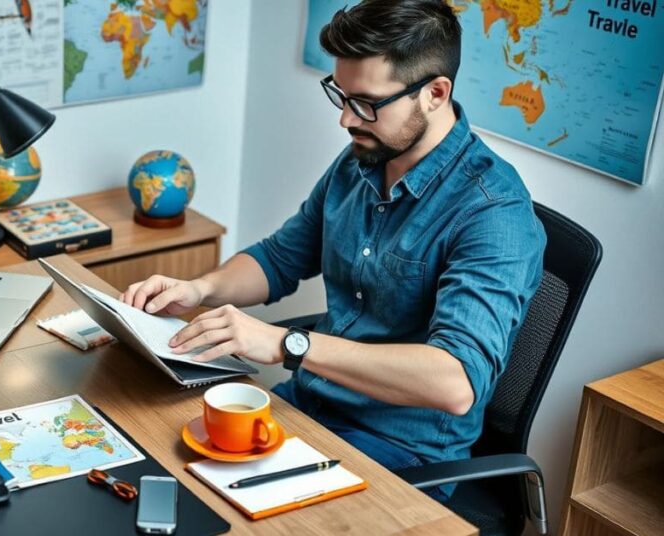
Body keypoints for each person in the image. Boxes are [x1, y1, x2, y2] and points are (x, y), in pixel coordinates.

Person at [120, 0, 546, 501]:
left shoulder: (493, 212)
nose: (345, 119)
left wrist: (287, 344)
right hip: (307, 408)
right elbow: (280, 258)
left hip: (399, 454)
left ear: (434, 93)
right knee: (154, 465)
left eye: (364, 102)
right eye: (340, 96)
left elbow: (455, 383)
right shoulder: (362, 159)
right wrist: (199, 289)